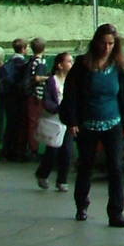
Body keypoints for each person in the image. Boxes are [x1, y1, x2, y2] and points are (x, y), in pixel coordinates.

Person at [61, 23, 124, 226]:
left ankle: (116, 212)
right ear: (96, 42)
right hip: (87, 124)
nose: (107, 47)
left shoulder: (119, 67)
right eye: (104, 43)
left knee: (116, 168)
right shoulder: (83, 65)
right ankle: (81, 204)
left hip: (113, 123)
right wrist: (72, 121)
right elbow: (71, 94)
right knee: (86, 166)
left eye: (111, 43)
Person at [34, 51, 75, 190]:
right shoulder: (52, 81)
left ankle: (62, 180)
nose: (72, 64)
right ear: (60, 65)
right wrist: (58, 109)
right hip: (54, 120)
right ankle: (42, 173)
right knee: (52, 151)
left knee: (67, 151)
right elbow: (47, 101)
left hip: (68, 121)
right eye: (69, 61)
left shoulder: (73, 81)